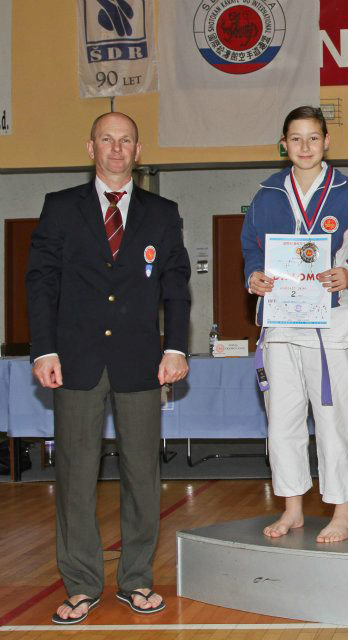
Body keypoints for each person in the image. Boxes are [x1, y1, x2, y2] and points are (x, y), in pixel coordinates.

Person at [26, 112, 191, 623]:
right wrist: (44, 350)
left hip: (141, 363)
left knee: (142, 474)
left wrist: (176, 347)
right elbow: (41, 282)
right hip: (75, 361)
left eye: (125, 141)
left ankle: (136, 579)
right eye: (107, 139)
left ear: (138, 152)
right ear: (91, 147)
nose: (116, 149)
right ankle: (80, 583)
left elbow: (176, 286)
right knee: (75, 476)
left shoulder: (163, 213)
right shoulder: (60, 208)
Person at [242, 106, 348, 544]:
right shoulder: (267, 193)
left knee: (334, 416)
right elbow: (251, 246)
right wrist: (253, 274)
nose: (304, 146)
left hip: (329, 318)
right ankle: (292, 507)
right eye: (295, 138)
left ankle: (342, 509)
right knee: (281, 419)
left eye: (313, 138)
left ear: (326, 142)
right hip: (281, 320)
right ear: (283, 144)